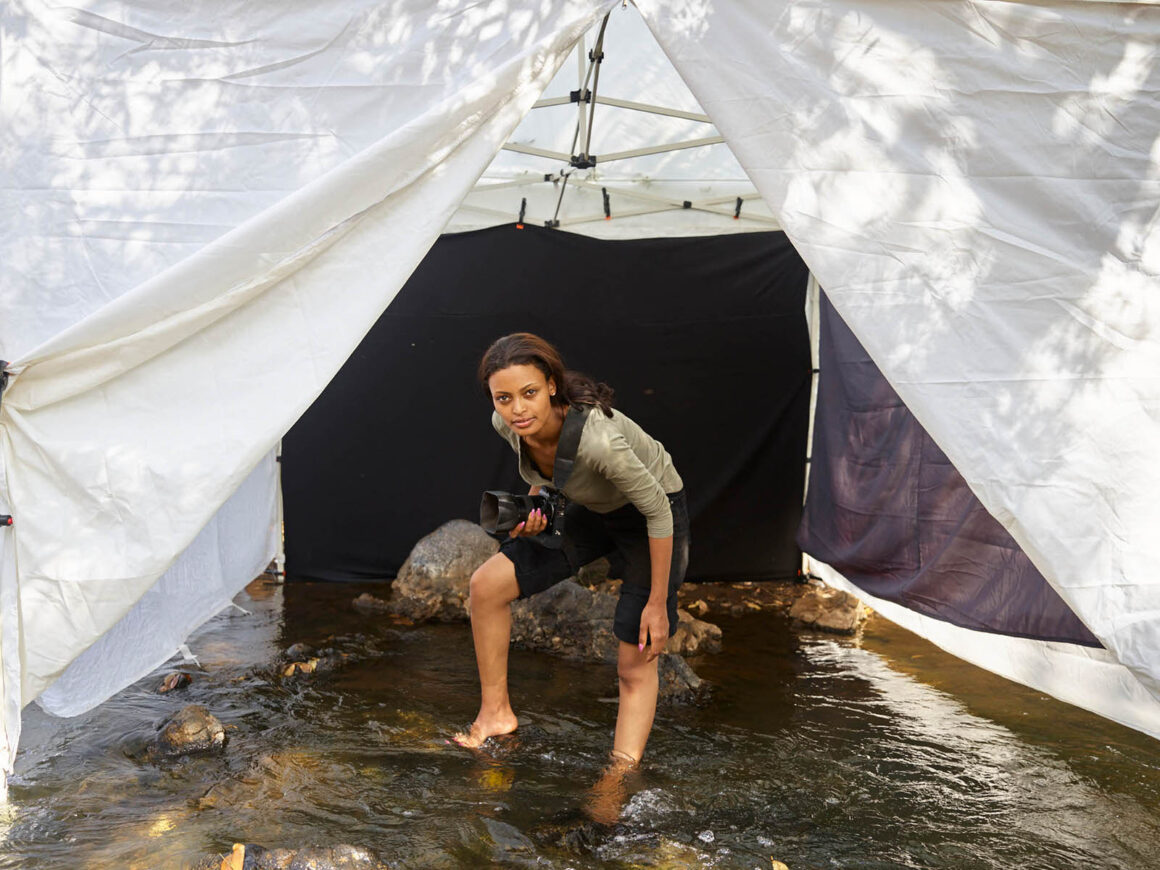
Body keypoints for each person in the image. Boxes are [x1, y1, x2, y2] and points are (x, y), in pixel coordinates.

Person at [456, 332, 690, 776]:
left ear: (550, 385)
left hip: (651, 517)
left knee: (634, 657)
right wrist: (537, 508)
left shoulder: (599, 442)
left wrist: (658, 604)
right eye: (503, 398)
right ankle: (495, 715)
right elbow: (547, 474)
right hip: (590, 504)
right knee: (485, 586)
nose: (517, 410)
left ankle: (618, 775)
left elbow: (658, 510)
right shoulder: (504, 423)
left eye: (528, 393)